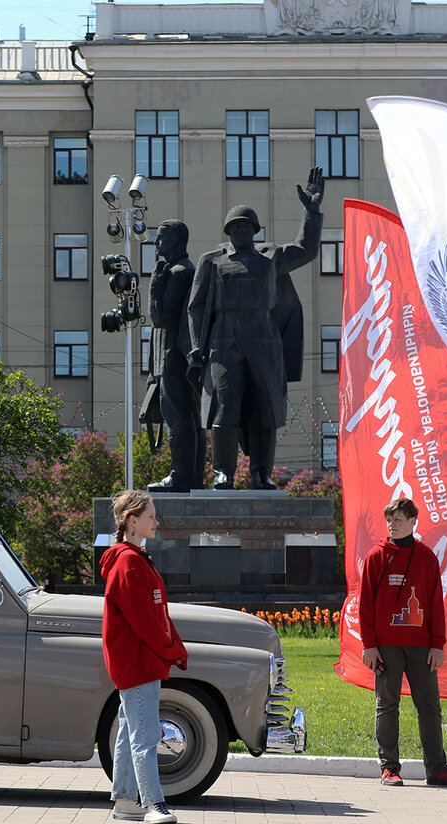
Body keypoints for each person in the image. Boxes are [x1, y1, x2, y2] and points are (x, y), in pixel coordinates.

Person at [187, 167, 323, 490]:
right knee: (226, 405)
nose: (242, 232)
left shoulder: (270, 257)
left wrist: (312, 211)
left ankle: (261, 473)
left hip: (264, 339)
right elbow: (195, 306)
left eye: (247, 227)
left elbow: (306, 249)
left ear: (255, 231)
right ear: (229, 231)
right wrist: (196, 346)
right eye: (236, 227)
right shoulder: (212, 261)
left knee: (265, 408)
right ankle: (223, 471)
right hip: (224, 340)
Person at [359, 497, 447, 788]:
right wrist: (369, 644)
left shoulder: (426, 557)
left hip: (422, 647)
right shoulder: (376, 556)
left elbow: (436, 603)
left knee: (430, 707)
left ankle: (437, 770)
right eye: (389, 520)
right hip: (386, 647)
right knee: (387, 705)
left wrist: (438, 644)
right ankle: (389, 768)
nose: (392, 525)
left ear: (413, 522)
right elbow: (365, 605)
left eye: (398, 520)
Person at [99, 490, 188, 824]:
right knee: (146, 736)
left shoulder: (132, 559)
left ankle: (125, 802)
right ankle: (153, 804)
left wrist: (172, 646)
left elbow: (156, 614)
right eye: (150, 516)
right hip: (137, 664)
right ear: (132, 521)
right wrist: (174, 650)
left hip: (137, 662)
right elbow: (146, 622)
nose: (156, 521)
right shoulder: (128, 563)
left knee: (129, 731)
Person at [146, 219, 205, 493]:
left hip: (174, 356)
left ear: (177, 240)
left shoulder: (179, 272)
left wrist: (155, 283)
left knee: (179, 417)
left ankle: (182, 477)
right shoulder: (179, 270)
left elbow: (161, 318)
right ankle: (190, 477)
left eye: (160, 237)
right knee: (188, 416)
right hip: (169, 356)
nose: (156, 242)